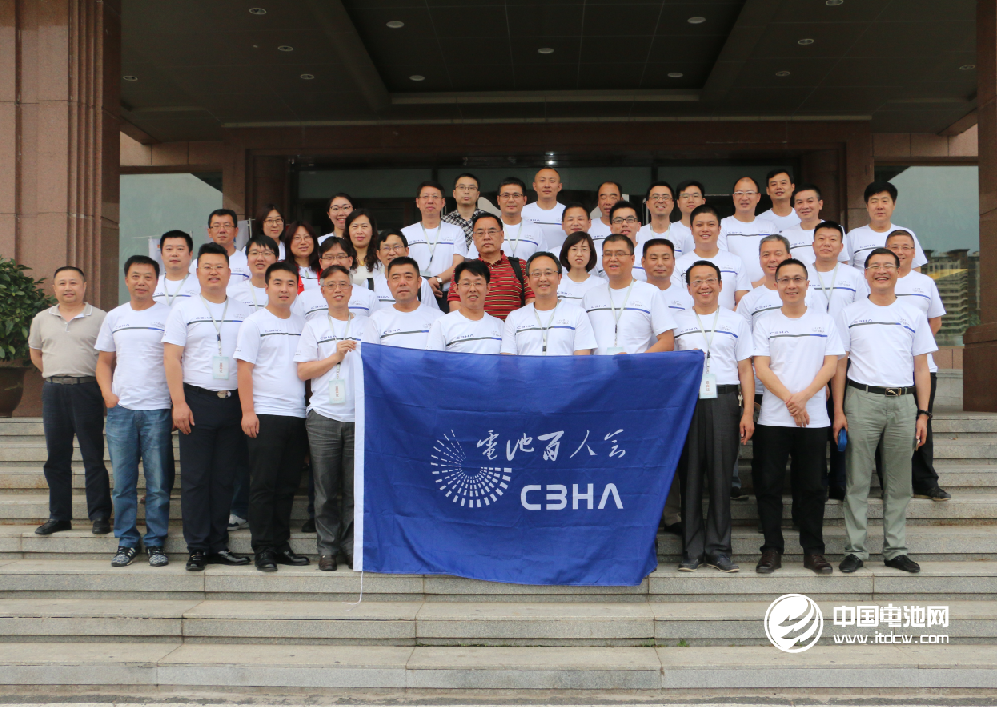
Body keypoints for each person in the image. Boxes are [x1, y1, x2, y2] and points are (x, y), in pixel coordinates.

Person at [833, 248, 935, 575]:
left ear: (898, 270)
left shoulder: (913, 314)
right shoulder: (849, 313)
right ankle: (855, 550)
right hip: (861, 400)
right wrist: (838, 410)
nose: (881, 271)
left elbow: (921, 367)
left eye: (888, 265)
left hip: (903, 403)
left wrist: (923, 413)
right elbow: (839, 365)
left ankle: (896, 550)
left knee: (899, 482)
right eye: (874, 266)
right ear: (865, 273)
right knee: (857, 480)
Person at [163, 243, 253, 571]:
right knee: (196, 478)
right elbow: (171, 358)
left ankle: (219, 544)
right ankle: (197, 547)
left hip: (232, 402)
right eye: (207, 267)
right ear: (196, 271)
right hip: (196, 401)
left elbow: (249, 361)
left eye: (219, 267)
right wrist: (179, 403)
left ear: (229, 272)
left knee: (224, 478)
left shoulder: (244, 312)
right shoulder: (183, 310)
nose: (214, 272)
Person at [752, 258, 843, 575]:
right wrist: (792, 400)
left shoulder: (824, 322)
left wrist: (804, 398)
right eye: (785, 280)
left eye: (797, 279)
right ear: (776, 285)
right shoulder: (765, 323)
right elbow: (761, 367)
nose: (791, 285)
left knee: (813, 487)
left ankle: (813, 551)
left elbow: (831, 365)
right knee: (769, 486)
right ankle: (771, 549)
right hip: (774, 419)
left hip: (813, 418)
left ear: (807, 284)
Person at [672, 262, 754, 572]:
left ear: (720, 285)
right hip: (689, 402)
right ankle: (692, 550)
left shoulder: (736, 321)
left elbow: (745, 368)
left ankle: (719, 549)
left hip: (724, 400)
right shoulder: (678, 322)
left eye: (710, 280)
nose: (704, 285)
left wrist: (748, 411)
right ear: (688, 288)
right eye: (697, 281)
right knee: (691, 476)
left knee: (721, 477)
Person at [95, 256, 172, 566]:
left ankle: (155, 542)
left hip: (157, 409)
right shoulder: (115, 316)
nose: (142, 282)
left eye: (148, 277)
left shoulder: (170, 315)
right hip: (122, 410)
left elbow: (178, 360)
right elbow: (104, 362)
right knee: (123, 484)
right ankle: (126, 541)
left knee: (158, 484)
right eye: (136, 276)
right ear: (126, 280)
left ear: (157, 281)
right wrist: (108, 395)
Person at [234, 261, 310, 572]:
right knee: (263, 485)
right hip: (264, 414)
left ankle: (281, 545)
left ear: (297, 288)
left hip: (296, 414)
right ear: (266, 287)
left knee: (287, 485)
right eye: (277, 283)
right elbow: (244, 369)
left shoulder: (304, 324)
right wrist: (247, 411)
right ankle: (263, 548)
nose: (284, 289)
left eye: (290, 283)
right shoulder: (254, 323)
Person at [295, 264, 369, 571]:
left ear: (351, 290)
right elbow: (303, 371)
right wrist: (334, 357)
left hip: (359, 416)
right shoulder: (313, 326)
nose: (338, 290)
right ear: (322, 291)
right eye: (331, 285)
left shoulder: (367, 325)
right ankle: (326, 548)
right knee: (324, 489)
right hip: (324, 415)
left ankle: (350, 546)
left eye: (343, 284)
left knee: (353, 489)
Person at [29, 266, 110, 536]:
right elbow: (36, 353)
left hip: (87, 390)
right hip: (53, 392)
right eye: (62, 283)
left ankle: (100, 515)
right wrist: (55, 374)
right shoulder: (42, 318)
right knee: (57, 457)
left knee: (93, 456)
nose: (68, 288)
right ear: (54, 288)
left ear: (84, 286)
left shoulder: (100, 318)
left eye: (73, 283)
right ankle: (59, 516)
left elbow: (109, 356)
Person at [805, 220, 869, 501]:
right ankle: (817, 478)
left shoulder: (854, 276)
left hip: (847, 357)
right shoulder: (802, 274)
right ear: (813, 244)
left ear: (842, 246)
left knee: (842, 417)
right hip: (810, 359)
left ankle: (840, 479)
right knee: (817, 422)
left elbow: (863, 314)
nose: (827, 244)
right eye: (821, 238)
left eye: (833, 239)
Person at [886, 229, 951, 502]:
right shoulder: (876, 279)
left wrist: (917, 348)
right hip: (886, 368)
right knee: (889, 426)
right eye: (895, 247)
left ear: (914, 252)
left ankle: (926, 481)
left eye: (906, 247)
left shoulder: (924, 282)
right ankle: (892, 481)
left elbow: (935, 320)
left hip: (921, 368)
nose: (901, 252)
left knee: (921, 422)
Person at [583, 234, 675, 355]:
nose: (613, 259)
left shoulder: (650, 292)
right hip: (599, 367)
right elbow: (582, 342)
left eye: (619, 254)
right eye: (608, 254)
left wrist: (636, 361)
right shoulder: (591, 295)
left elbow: (667, 341)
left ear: (632, 259)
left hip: (636, 366)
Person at [503, 252, 596, 356]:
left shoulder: (577, 314)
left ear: (559, 278)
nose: (543, 279)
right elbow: (508, 361)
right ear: (528, 280)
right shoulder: (514, 318)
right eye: (536, 274)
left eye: (548, 273)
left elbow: (581, 361)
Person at [449, 214, 534, 320]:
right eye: (480, 233)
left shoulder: (521, 266)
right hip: (476, 329)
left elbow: (532, 301)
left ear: (502, 236)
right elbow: (455, 305)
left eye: (492, 232)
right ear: (474, 239)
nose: (486, 237)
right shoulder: (463, 269)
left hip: (513, 328)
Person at [401, 181, 466, 310]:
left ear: (443, 202)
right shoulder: (406, 233)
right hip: (415, 294)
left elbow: (458, 264)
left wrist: (437, 280)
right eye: (425, 196)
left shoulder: (456, 231)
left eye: (435, 197)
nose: (430, 201)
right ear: (418, 202)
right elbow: (402, 265)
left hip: (446, 295)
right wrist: (424, 284)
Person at [673, 204, 750, 311]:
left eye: (711, 224)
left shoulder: (735, 261)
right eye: (699, 225)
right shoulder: (678, 265)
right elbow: (677, 301)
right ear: (691, 229)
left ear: (719, 229)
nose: (705, 229)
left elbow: (742, 302)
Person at [295, 237, 382, 321]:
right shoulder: (305, 298)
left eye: (340, 257)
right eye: (329, 257)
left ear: (350, 260)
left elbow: (375, 327)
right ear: (321, 262)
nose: (335, 262)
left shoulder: (368, 296)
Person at [845, 182, 927, 270]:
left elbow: (916, 269)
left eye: (884, 201)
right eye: (874, 201)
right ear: (867, 206)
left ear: (894, 204)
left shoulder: (906, 235)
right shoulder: (853, 236)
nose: (879, 206)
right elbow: (845, 270)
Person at [427, 260, 504, 354]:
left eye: (478, 283)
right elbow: (433, 361)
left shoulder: (500, 326)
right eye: (466, 284)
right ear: (456, 289)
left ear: (488, 288)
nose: (472, 289)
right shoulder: (442, 324)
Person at [366, 257, 445, 348]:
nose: (402, 282)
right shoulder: (376, 320)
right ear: (389, 284)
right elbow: (370, 355)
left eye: (408, 277)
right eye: (396, 278)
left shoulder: (438, 318)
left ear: (419, 282)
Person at [469, 177, 547, 262]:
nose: (511, 200)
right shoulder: (485, 230)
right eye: (506, 196)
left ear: (524, 200)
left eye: (516, 195)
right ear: (498, 200)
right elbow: (472, 261)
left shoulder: (536, 230)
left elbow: (543, 262)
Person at [719, 177, 778, 286]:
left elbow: (777, 260)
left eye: (749, 193)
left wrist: (758, 285)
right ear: (733, 197)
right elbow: (723, 260)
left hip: (766, 288)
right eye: (739, 193)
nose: (744, 197)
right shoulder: (722, 225)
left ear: (758, 197)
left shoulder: (770, 227)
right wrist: (741, 289)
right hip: (733, 289)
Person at [369, 230, 439, 309]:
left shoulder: (421, 283)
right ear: (378, 254)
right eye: (386, 248)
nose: (391, 252)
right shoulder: (370, 285)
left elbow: (432, 313)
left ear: (406, 251)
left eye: (396, 247)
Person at [781, 184, 837, 265]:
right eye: (800, 202)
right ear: (794, 207)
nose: (805, 206)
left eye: (810, 201)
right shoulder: (785, 235)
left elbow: (843, 262)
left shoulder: (835, 230)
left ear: (820, 204)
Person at [189, 209, 251, 283]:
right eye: (216, 226)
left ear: (236, 231)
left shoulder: (247, 262)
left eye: (227, 225)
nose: (222, 230)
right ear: (209, 232)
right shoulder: (197, 264)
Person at [639, 181, 694, 259]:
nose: (660, 201)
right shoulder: (637, 234)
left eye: (665, 197)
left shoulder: (685, 236)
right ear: (647, 204)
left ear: (673, 204)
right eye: (655, 197)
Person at [228, 235, 279, 311]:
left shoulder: (285, 292)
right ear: (247, 260)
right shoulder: (231, 293)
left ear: (276, 260)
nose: (260, 258)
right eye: (254, 253)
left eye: (266, 253)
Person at [522, 168, 566, 254]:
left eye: (552, 181)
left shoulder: (568, 213)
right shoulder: (522, 212)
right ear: (535, 186)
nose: (547, 185)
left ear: (559, 186)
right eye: (542, 180)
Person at [642, 238, 693, 312]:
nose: (660, 263)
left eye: (665, 258)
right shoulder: (633, 294)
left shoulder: (688, 298)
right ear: (643, 262)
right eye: (654, 258)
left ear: (674, 262)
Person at [154, 231, 201, 306]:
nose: (174, 254)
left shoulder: (201, 285)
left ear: (190, 254)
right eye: (169, 249)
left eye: (180, 249)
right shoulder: (152, 284)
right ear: (161, 254)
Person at [557, 230, 604, 304]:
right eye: (574, 249)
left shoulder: (600, 283)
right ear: (566, 254)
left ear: (591, 254)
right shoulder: (556, 282)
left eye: (584, 249)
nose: (579, 254)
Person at [442, 173, 487, 248]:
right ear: (454, 193)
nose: (466, 192)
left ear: (478, 194)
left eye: (471, 188)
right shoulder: (444, 222)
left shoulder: (488, 219)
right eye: (462, 187)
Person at [607, 201, 643, 279]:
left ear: (639, 225)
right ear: (611, 228)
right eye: (618, 220)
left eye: (630, 219)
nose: (624, 224)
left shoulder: (647, 253)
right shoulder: (603, 256)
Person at [282, 221, 321, 292]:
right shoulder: (281, 269)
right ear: (289, 243)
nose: (303, 242)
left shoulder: (324, 268)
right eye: (297, 237)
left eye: (307, 237)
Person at [344, 209, 378, 287]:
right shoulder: (341, 257)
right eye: (355, 226)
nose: (359, 231)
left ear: (372, 230)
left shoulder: (382, 257)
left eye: (364, 226)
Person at [670, 180, 706, 252]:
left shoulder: (714, 230)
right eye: (685, 196)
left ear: (703, 201)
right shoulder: (670, 230)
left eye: (695, 196)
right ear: (678, 202)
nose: (691, 200)